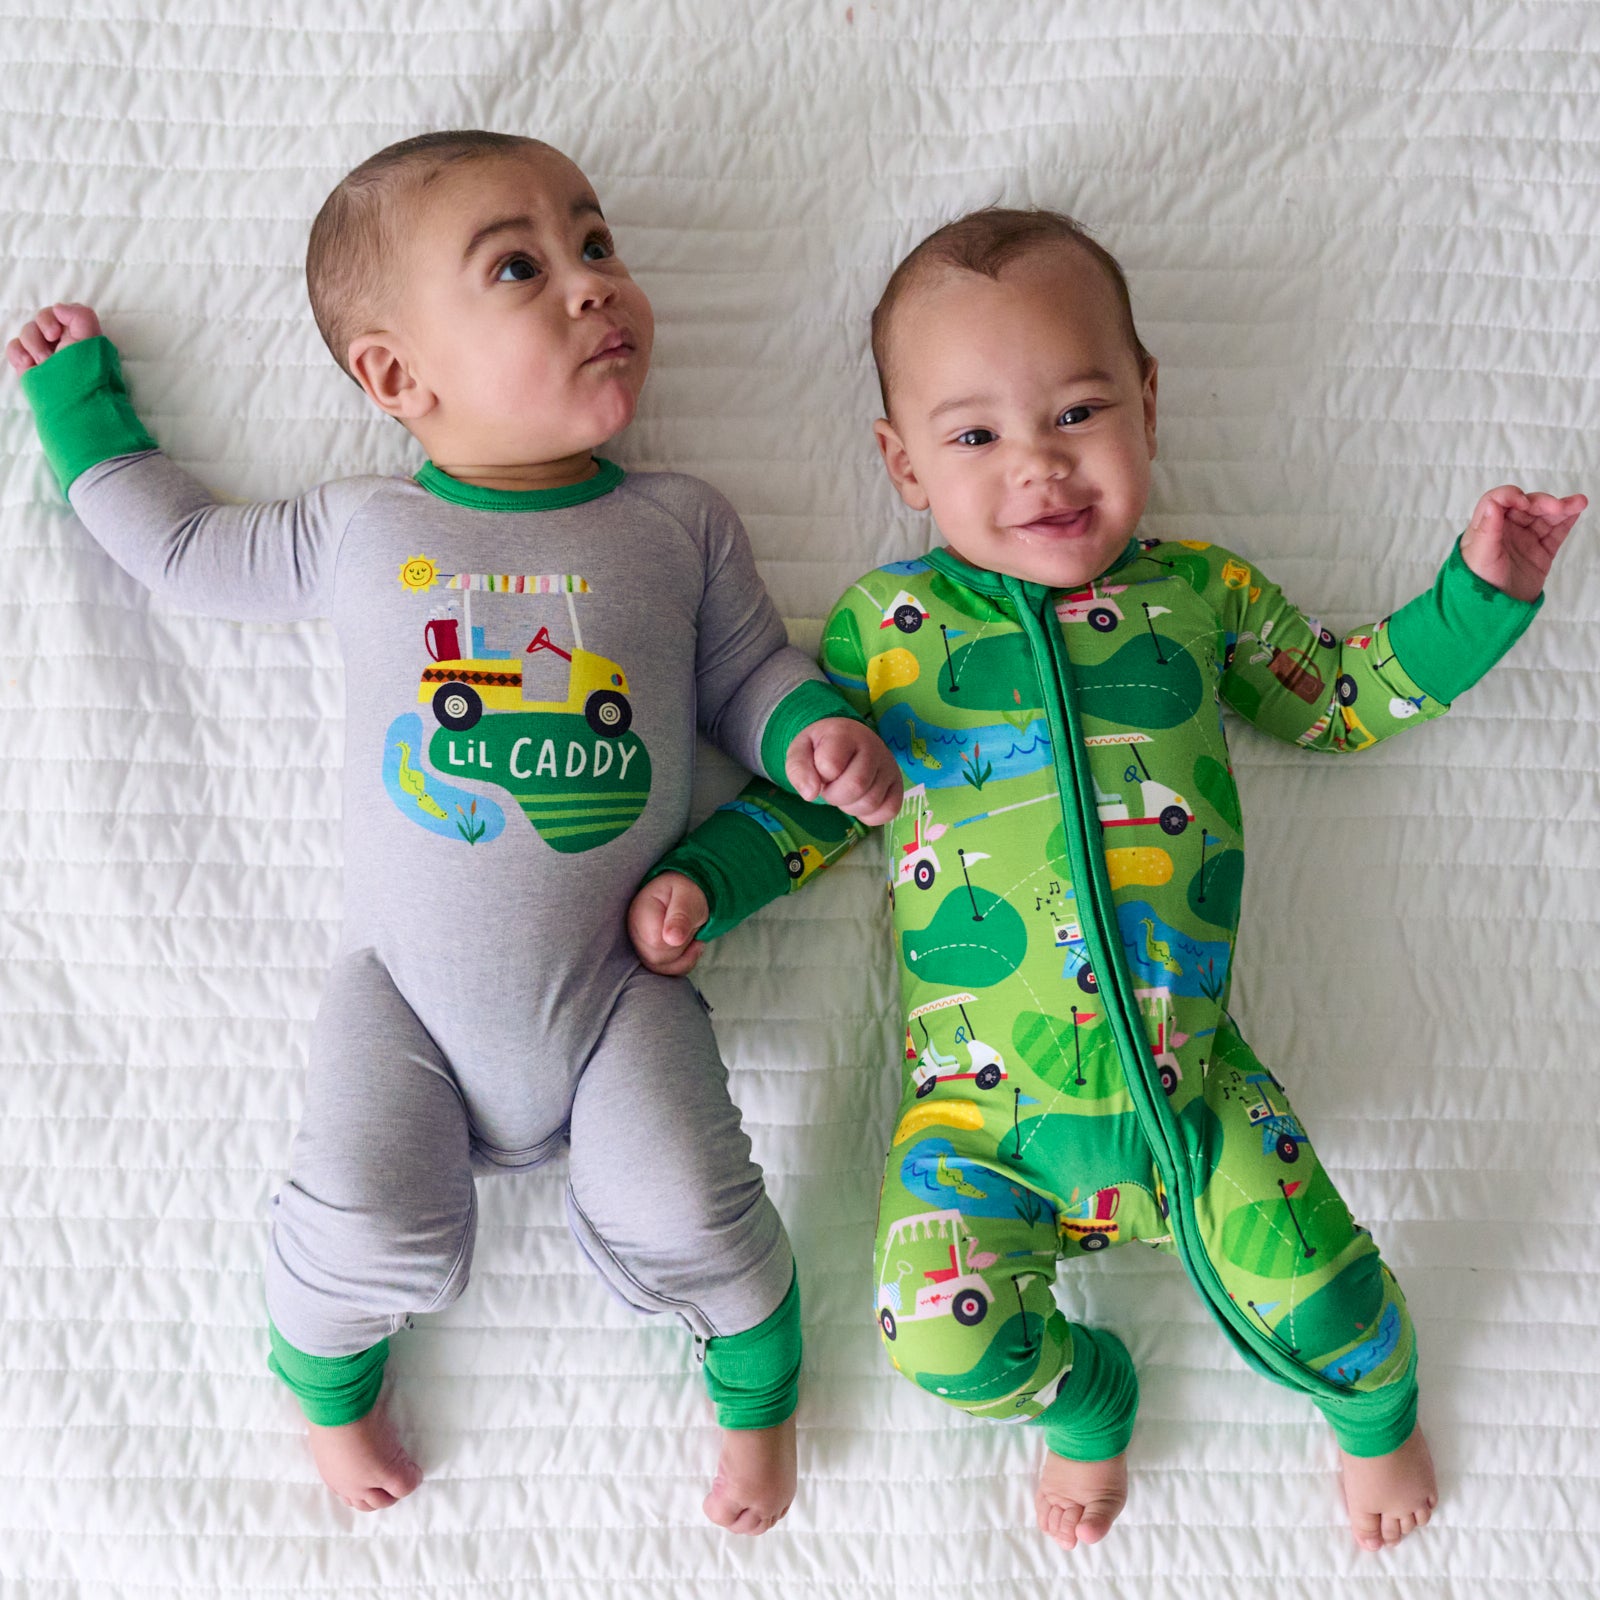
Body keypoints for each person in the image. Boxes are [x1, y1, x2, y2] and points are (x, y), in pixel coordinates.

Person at [651, 205, 1584, 1553]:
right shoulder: (890, 631)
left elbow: (1341, 700)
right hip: (980, 1119)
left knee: (1334, 1307)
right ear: (901, 462)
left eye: (1078, 411)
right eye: (974, 437)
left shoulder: (1200, 597)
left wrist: (1479, 593)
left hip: (1193, 1095)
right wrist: (705, 883)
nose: (1038, 468)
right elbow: (809, 808)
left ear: (1146, 403)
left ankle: (1376, 1416)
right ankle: (1087, 1399)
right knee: (938, 1341)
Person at [6, 129, 901, 1532]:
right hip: (405, 1003)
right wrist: (80, 412)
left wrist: (811, 736)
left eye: (597, 246)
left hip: (621, 994)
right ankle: (329, 1389)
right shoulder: (367, 530)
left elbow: (746, 678)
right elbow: (179, 549)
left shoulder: (678, 527)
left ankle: (760, 1391)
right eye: (520, 268)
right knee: (364, 1213)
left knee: (689, 1196)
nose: (591, 285)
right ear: (395, 377)